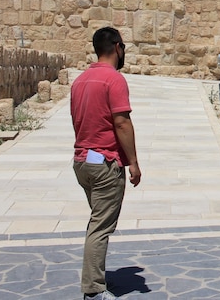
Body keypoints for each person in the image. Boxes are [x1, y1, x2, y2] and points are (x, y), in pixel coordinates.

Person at [71, 27, 141, 300]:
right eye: (123, 46)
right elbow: (121, 122)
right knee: (100, 227)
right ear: (116, 46)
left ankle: (94, 281)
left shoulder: (80, 80)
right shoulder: (113, 79)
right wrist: (133, 162)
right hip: (105, 164)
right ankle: (93, 290)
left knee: (96, 223)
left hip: (82, 162)